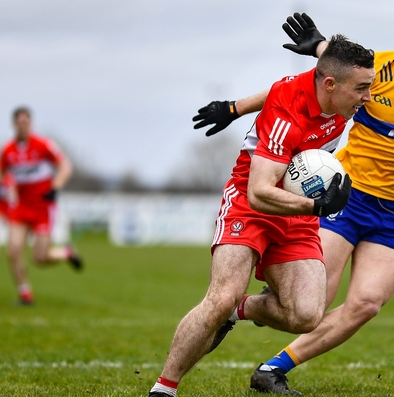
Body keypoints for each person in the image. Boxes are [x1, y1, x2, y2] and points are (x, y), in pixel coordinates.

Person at [192, 0, 394, 395]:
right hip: (345, 197)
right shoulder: (377, 69)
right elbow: (301, 85)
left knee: (365, 304)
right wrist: (234, 107)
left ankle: (271, 368)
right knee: (311, 301)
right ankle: (237, 307)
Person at [148, 34, 374, 397]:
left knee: (306, 314)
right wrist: (317, 206)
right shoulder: (288, 116)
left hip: (295, 211)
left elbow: (284, 84)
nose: (368, 97)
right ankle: (164, 388)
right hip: (251, 204)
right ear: (330, 85)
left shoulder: (333, 92)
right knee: (220, 296)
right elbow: (260, 191)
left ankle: (237, 311)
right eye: (362, 89)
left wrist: (235, 108)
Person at [0, 107, 80, 305]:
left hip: (42, 207)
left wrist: (56, 186)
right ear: (14, 124)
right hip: (21, 207)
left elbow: (65, 166)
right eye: (20, 122)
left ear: (31, 124)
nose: (23, 126)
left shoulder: (43, 145)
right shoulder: (8, 150)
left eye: (26, 122)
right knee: (13, 249)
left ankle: (65, 252)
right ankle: (25, 294)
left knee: (39, 258)